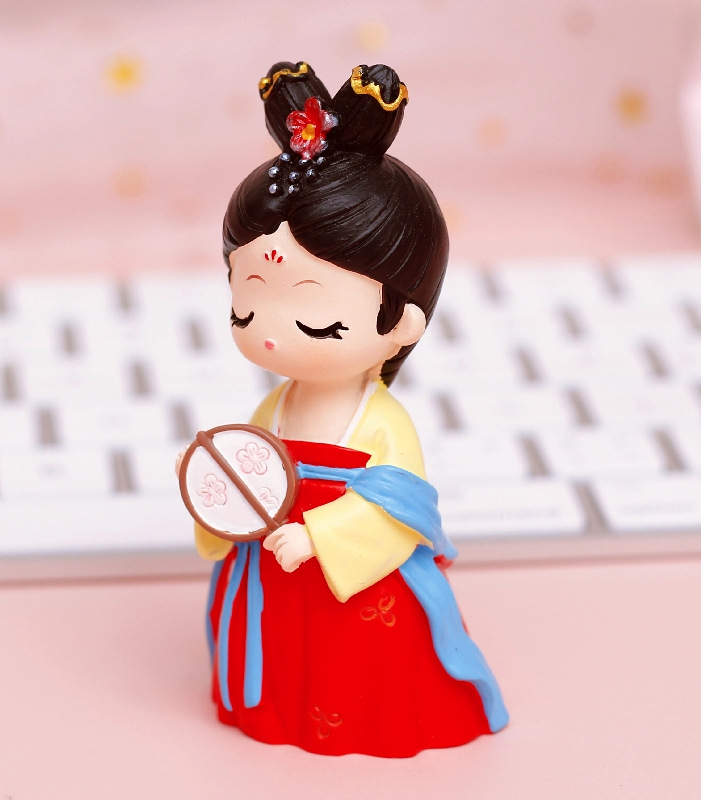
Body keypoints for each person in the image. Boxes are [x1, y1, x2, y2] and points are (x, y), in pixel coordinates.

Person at [190, 61, 508, 757]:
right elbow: (248, 467)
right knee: (284, 658)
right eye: (246, 307)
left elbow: (399, 504)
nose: (269, 334)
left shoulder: (381, 423)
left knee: (351, 669)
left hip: (349, 583)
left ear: (403, 322)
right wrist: (222, 497)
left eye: (316, 318)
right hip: (273, 572)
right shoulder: (276, 404)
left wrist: (322, 538)